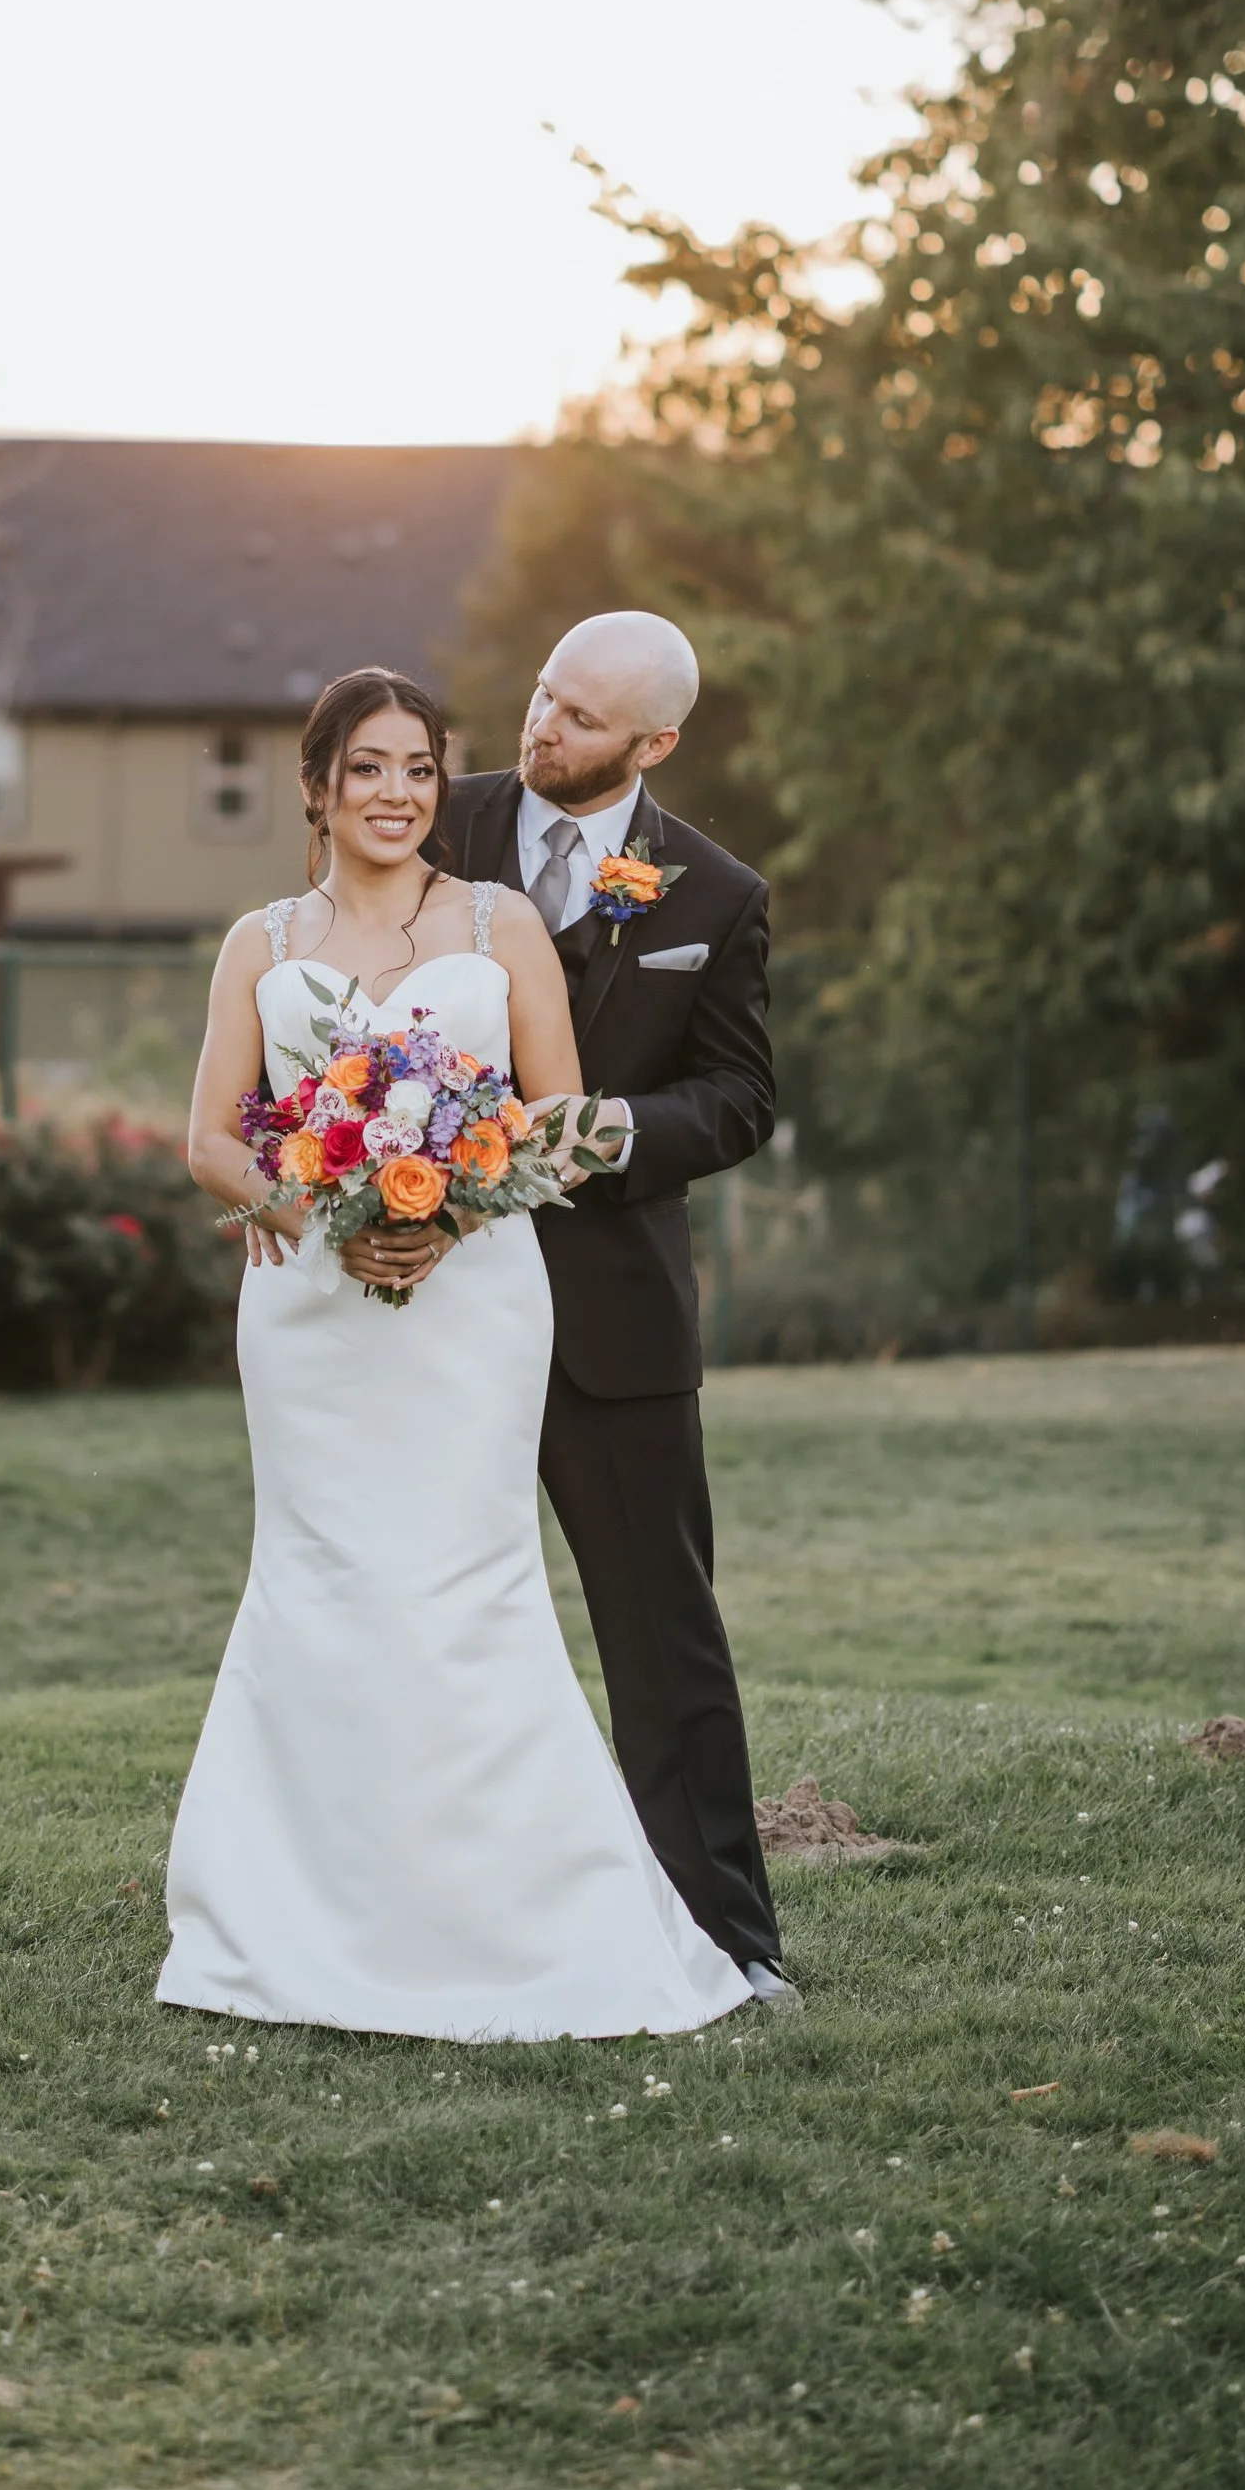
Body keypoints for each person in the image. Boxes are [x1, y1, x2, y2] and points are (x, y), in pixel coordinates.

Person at [161, 664, 752, 2038]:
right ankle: (297, 1915)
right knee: (322, 1583)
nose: (394, 795)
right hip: (312, 1315)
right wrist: (322, 1213)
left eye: (418, 770)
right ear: (316, 787)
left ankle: (514, 1909)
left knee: (467, 1588)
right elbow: (211, 1135)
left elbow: (557, 1118)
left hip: (477, 1307)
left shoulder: (502, 926)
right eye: (366, 769)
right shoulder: (258, 941)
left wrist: (447, 1204)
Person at [429, 614, 796, 2006]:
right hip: (434, 1304)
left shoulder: (715, 893)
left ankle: (725, 1939)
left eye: (582, 720)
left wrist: (620, 1128)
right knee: (431, 1614)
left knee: (663, 1635)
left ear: (656, 744)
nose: (543, 731)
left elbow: (742, 1097)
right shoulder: (432, 825)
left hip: (615, 1323)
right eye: (540, 697)